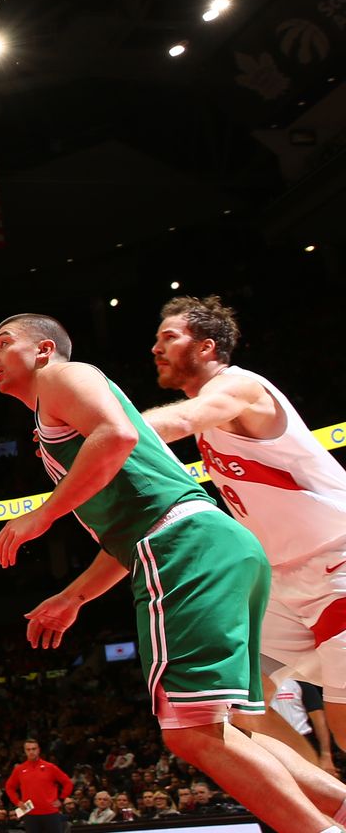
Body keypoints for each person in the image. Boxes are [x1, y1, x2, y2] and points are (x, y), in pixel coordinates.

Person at [0, 313, 346, 833]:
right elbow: (134, 524)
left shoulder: (63, 376)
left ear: (44, 351)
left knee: (189, 733)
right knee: (231, 725)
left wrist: (44, 512)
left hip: (193, 548)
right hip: (219, 546)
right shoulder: (58, 424)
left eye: (3, 344)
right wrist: (74, 597)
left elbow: (118, 432)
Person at [142, 295, 346, 762]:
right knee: (237, 705)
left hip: (336, 558)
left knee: (345, 727)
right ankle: (327, 790)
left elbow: (176, 420)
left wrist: (97, 428)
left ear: (208, 347)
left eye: (168, 337)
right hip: (282, 579)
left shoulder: (241, 388)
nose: (156, 347)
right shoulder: (211, 415)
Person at [3, 740, 71, 833]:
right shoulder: (19, 769)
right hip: (30, 814)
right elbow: (9, 787)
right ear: (25, 751)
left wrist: (62, 799)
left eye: (34, 749)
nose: (31, 752)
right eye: (28, 749)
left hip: (50, 812)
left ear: (38, 750)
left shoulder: (50, 767)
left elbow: (67, 783)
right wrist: (17, 802)